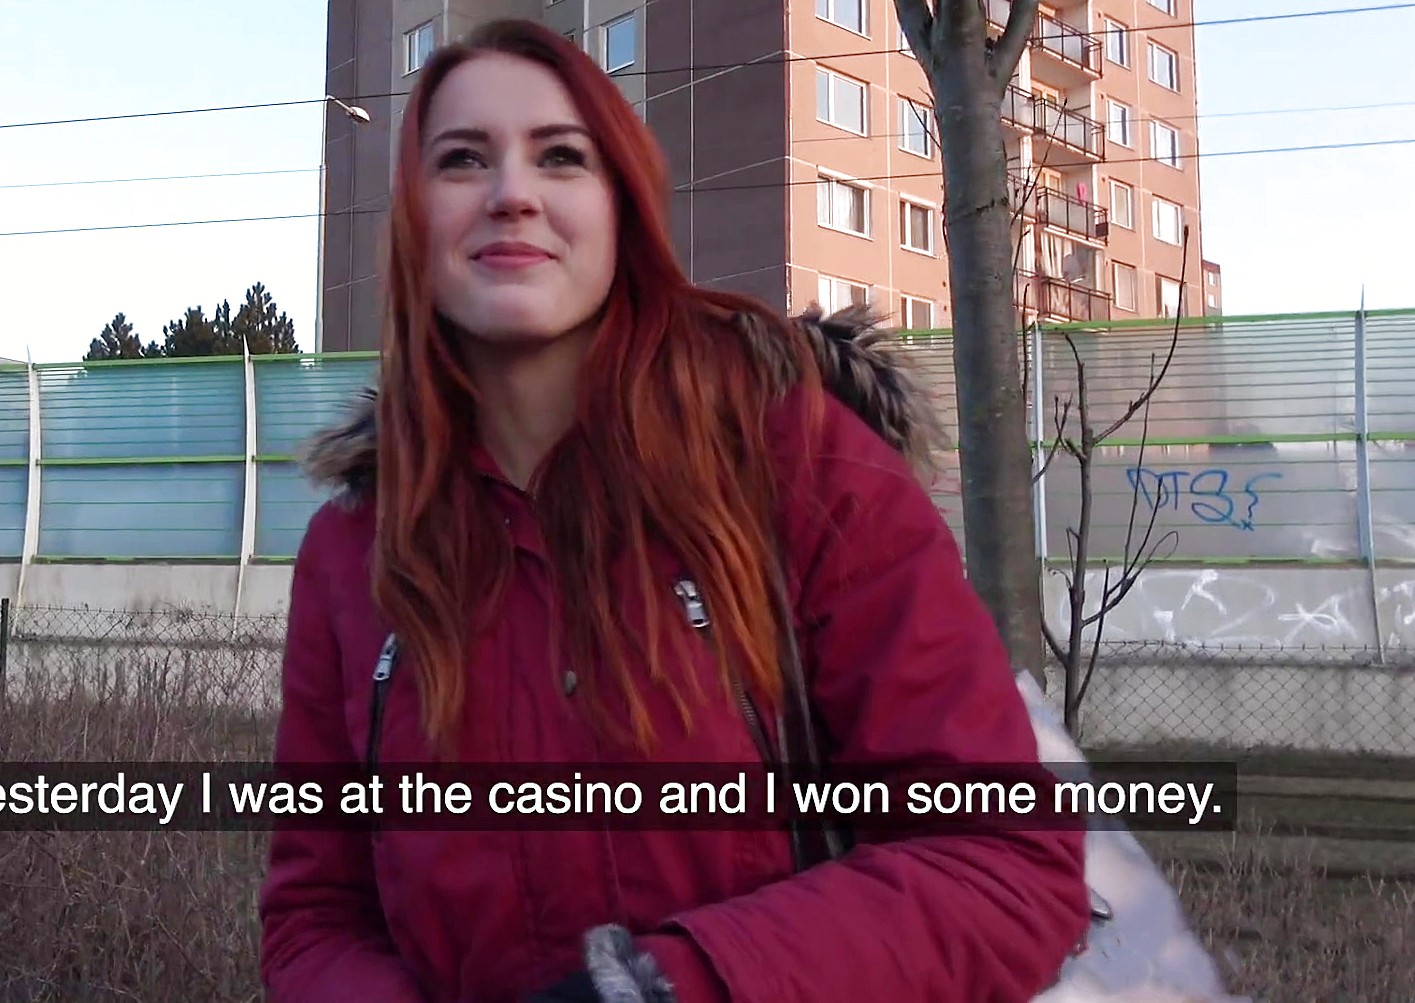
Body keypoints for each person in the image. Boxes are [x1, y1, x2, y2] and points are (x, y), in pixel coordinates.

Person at [257, 17, 1090, 1002]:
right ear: (412, 224)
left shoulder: (794, 463)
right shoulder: (356, 549)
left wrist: (671, 986)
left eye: (560, 157)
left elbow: (999, 860)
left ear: (623, 211)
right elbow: (315, 918)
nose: (510, 192)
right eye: (461, 160)